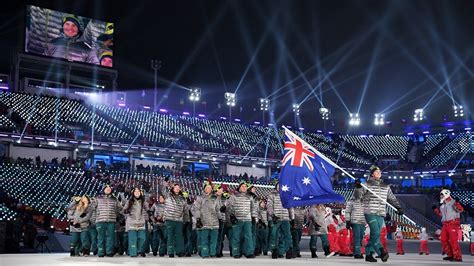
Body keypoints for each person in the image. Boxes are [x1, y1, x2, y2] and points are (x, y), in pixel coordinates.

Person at [354, 166, 403, 263]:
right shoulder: (366, 184)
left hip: (381, 213)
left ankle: (368, 254)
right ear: (372, 174)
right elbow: (357, 196)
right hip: (370, 211)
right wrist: (358, 187)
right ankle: (381, 252)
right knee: (376, 232)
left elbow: (392, 198)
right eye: (376, 171)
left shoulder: (386, 186)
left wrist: (398, 207)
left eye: (379, 171)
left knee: (375, 234)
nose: (379, 173)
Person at [226, 181, 257, 258]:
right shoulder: (234, 196)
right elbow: (229, 207)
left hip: (247, 219)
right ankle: (236, 252)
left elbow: (253, 208)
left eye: (245, 186)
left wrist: (253, 217)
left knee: (248, 236)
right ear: (239, 187)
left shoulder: (250, 196)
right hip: (237, 220)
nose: (244, 187)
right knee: (236, 237)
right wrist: (232, 216)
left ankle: (249, 252)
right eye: (242, 186)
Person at [432, 188, 464, 262]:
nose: (440, 197)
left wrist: (457, 203)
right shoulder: (442, 205)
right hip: (445, 224)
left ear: (446, 194)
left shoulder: (453, 202)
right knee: (443, 240)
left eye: (442, 195)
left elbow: (460, 210)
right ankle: (450, 255)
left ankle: (457, 257)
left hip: (453, 224)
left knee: (453, 241)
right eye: (440, 195)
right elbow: (442, 215)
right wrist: (436, 210)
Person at [192, 181, 222, 258]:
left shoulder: (215, 198)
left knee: (214, 240)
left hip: (214, 222)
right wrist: (198, 219)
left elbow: (218, 209)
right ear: (204, 189)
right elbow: (196, 209)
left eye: (210, 188)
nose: (208, 189)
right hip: (204, 222)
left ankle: (212, 253)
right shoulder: (200, 198)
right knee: (204, 239)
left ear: (212, 189)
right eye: (207, 188)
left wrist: (220, 218)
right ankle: (205, 253)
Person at [267, 181, 294, 259]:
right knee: (274, 235)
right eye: (278, 185)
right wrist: (272, 215)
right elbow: (269, 205)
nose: (280, 187)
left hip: (285, 218)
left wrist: (292, 218)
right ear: (276, 186)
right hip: (276, 218)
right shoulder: (272, 195)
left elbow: (290, 207)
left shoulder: (286, 195)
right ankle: (274, 250)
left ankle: (289, 251)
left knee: (287, 235)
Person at [94, 184, 121, 257]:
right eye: (106, 188)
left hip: (111, 221)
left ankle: (109, 252)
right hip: (100, 221)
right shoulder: (97, 198)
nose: (108, 189)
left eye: (109, 188)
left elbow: (120, 209)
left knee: (111, 237)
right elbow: (92, 209)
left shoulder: (115, 199)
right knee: (100, 237)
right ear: (103, 189)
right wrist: (94, 220)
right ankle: (101, 252)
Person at [123, 187, 148, 257]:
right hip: (132, 222)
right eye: (135, 191)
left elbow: (148, 209)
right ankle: (133, 253)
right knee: (132, 240)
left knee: (142, 238)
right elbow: (124, 210)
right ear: (133, 193)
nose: (137, 192)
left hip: (141, 222)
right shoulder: (129, 201)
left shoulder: (144, 202)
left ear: (141, 193)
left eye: (138, 191)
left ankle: (137, 250)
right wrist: (126, 211)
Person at [163, 182, 186, 257]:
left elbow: (185, 210)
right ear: (173, 188)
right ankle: (170, 251)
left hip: (179, 220)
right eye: (175, 187)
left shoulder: (182, 198)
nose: (177, 188)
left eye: (178, 187)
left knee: (179, 236)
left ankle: (180, 251)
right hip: (169, 219)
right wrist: (165, 183)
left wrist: (186, 220)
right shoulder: (168, 196)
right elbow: (163, 190)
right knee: (170, 236)